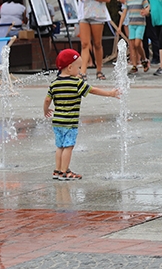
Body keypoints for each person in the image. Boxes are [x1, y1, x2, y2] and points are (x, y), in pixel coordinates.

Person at [44, 48, 120, 181]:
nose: (79, 71)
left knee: (60, 146)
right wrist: (110, 93)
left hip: (57, 122)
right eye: (78, 68)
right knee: (69, 147)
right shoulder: (76, 83)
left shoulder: (54, 83)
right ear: (69, 68)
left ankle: (57, 170)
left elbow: (47, 100)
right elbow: (93, 90)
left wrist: (46, 110)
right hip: (69, 122)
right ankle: (64, 172)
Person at [73, 0, 111, 80]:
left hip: (97, 15)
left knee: (97, 43)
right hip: (84, 15)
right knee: (84, 43)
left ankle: (99, 69)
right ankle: (83, 71)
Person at [118, 0, 151, 74]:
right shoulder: (128, 0)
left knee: (137, 43)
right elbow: (124, 13)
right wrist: (120, 26)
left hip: (140, 24)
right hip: (131, 24)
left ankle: (144, 59)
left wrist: (146, 12)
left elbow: (147, 9)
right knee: (131, 45)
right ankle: (134, 65)